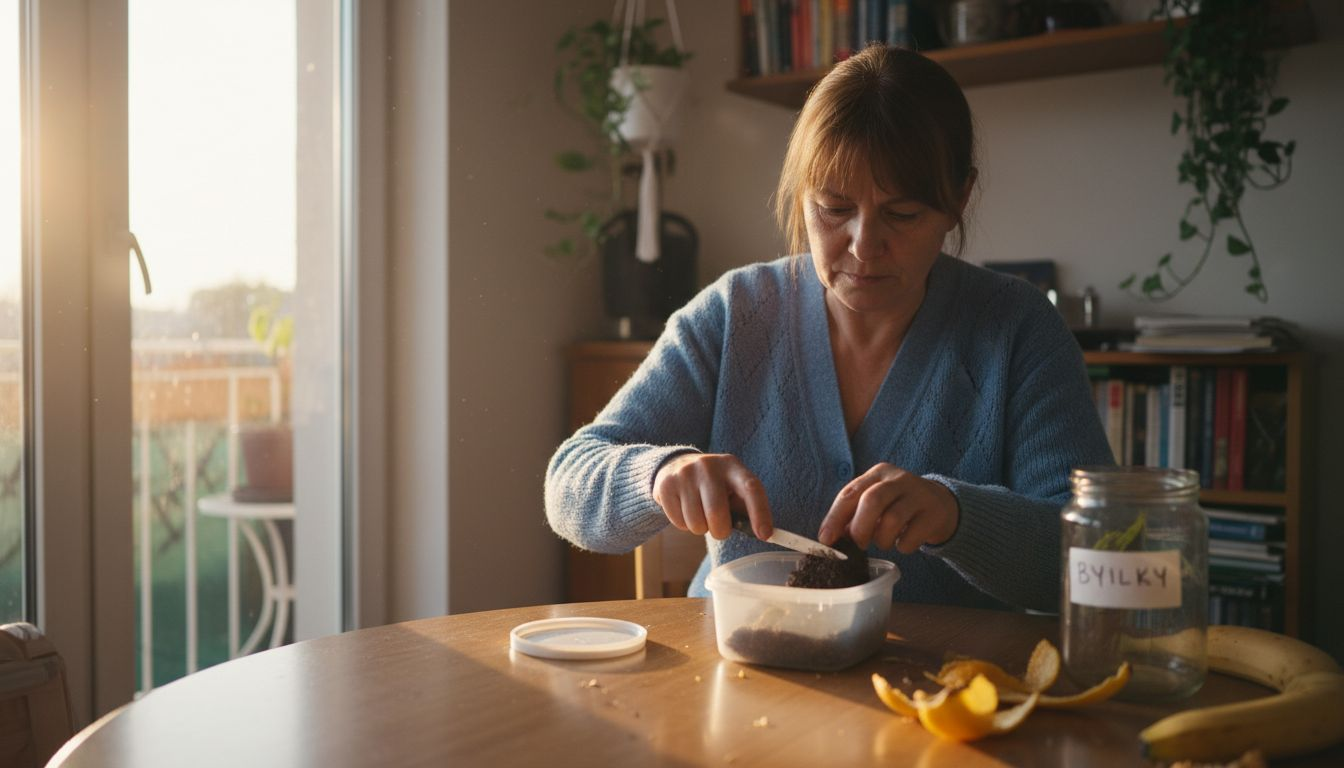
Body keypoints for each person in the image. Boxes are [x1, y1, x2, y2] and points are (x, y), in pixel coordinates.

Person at [544, 44, 1114, 613]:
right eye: (834, 208)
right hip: (741, 677)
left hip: (943, 691)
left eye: (903, 214)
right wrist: (658, 474)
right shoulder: (734, 314)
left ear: (958, 199)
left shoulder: (1018, 331)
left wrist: (955, 516)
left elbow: (1095, 554)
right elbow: (570, 482)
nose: (864, 246)